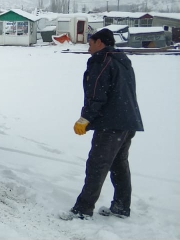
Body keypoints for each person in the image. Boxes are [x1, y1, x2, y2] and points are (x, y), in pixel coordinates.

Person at [61, 28, 144, 220]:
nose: (89, 47)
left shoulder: (102, 61)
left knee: (97, 165)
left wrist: (85, 118)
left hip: (111, 124)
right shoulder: (122, 60)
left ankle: (82, 210)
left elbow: (97, 94)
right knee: (119, 164)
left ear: (100, 43)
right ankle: (121, 207)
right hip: (128, 121)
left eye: (91, 43)